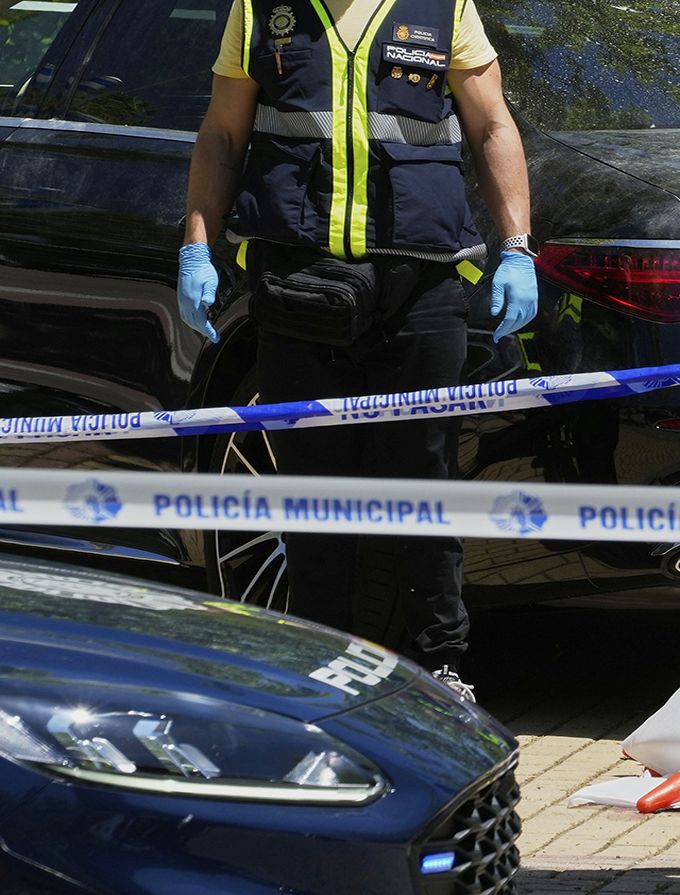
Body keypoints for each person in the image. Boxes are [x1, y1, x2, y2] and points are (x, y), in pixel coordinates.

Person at [179, 0, 538, 699]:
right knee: (316, 485)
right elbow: (222, 134)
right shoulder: (260, 10)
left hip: (421, 283)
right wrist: (197, 243)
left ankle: (440, 667)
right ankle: (319, 667)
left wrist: (517, 246)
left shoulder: (444, 9)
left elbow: (493, 124)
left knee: (423, 479)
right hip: (302, 283)